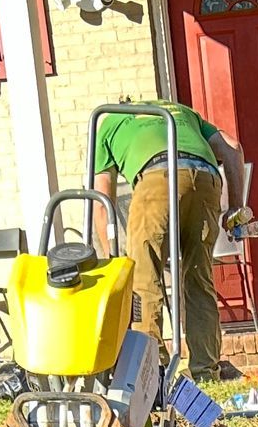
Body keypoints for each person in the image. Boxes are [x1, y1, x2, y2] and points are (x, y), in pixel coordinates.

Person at [93, 100, 247, 383]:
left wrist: (112, 259)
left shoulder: (110, 120)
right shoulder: (182, 111)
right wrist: (237, 209)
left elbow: (102, 204)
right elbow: (233, 147)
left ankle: (151, 373)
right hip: (206, 178)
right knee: (198, 276)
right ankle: (205, 372)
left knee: (143, 278)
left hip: (157, 177)